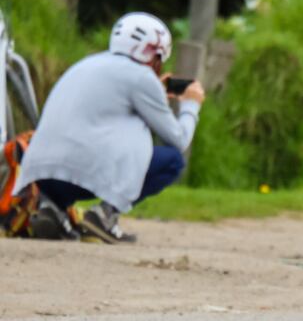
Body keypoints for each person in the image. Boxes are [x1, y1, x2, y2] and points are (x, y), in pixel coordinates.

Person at [15, 12, 205, 243]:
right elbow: (179, 139)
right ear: (154, 54)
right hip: (87, 174)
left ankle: (51, 208)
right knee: (172, 160)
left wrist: (155, 94)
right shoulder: (141, 77)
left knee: (74, 151)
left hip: (40, 172)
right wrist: (191, 105)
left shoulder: (85, 64)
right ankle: (105, 215)